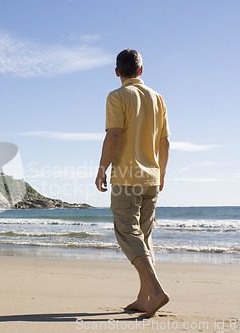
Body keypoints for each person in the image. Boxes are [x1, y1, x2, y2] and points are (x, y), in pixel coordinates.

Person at [95, 49, 170, 318]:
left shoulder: (117, 96)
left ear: (117, 72)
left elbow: (113, 135)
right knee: (144, 237)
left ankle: (157, 291)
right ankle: (144, 297)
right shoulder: (157, 98)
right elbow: (165, 141)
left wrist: (102, 169)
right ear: (141, 70)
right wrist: (161, 173)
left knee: (128, 234)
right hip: (151, 176)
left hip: (127, 176)